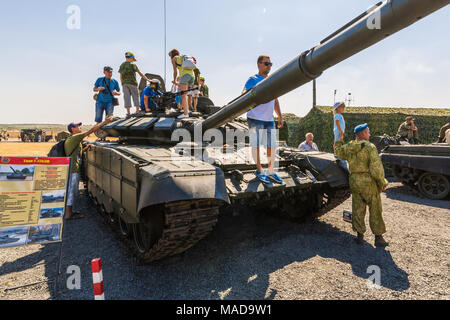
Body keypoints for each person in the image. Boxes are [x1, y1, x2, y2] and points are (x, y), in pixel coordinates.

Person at [335, 123, 389, 248]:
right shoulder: (370, 147)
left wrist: (339, 140)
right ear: (363, 134)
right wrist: (382, 182)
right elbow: (376, 167)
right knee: (375, 209)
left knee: (358, 208)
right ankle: (378, 238)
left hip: (354, 180)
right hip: (368, 182)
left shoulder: (349, 146)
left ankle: (359, 236)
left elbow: (338, 152)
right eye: (368, 132)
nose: (369, 134)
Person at [242, 55, 283, 184]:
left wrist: (280, 116)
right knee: (256, 146)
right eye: (266, 63)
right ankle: (260, 170)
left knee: (272, 146)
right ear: (259, 64)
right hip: (255, 118)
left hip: (269, 119)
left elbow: (275, 100)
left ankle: (271, 171)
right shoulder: (253, 79)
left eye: (270, 64)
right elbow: (244, 93)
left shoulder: (272, 80)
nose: (269, 66)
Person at [64, 117, 114, 220]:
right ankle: (68, 214)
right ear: (72, 129)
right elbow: (91, 131)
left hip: (72, 168)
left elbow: (77, 153)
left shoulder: (72, 139)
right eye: (78, 126)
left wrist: (86, 148)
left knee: (72, 191)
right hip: (73, 170)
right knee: (71, 192)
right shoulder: (75, 137)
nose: (80, 127)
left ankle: (70, 212)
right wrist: (104, 122)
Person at [169, 49, 197, 119]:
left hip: (184, 75)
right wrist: (177, 83)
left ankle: (185, 113)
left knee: (183, 95)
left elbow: (175, 71)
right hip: (192, 76)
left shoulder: (174, 59)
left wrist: (175, 80)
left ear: (172, 54)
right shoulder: (182, 58)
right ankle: (186, 111)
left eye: (170, 55)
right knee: (186, 94)